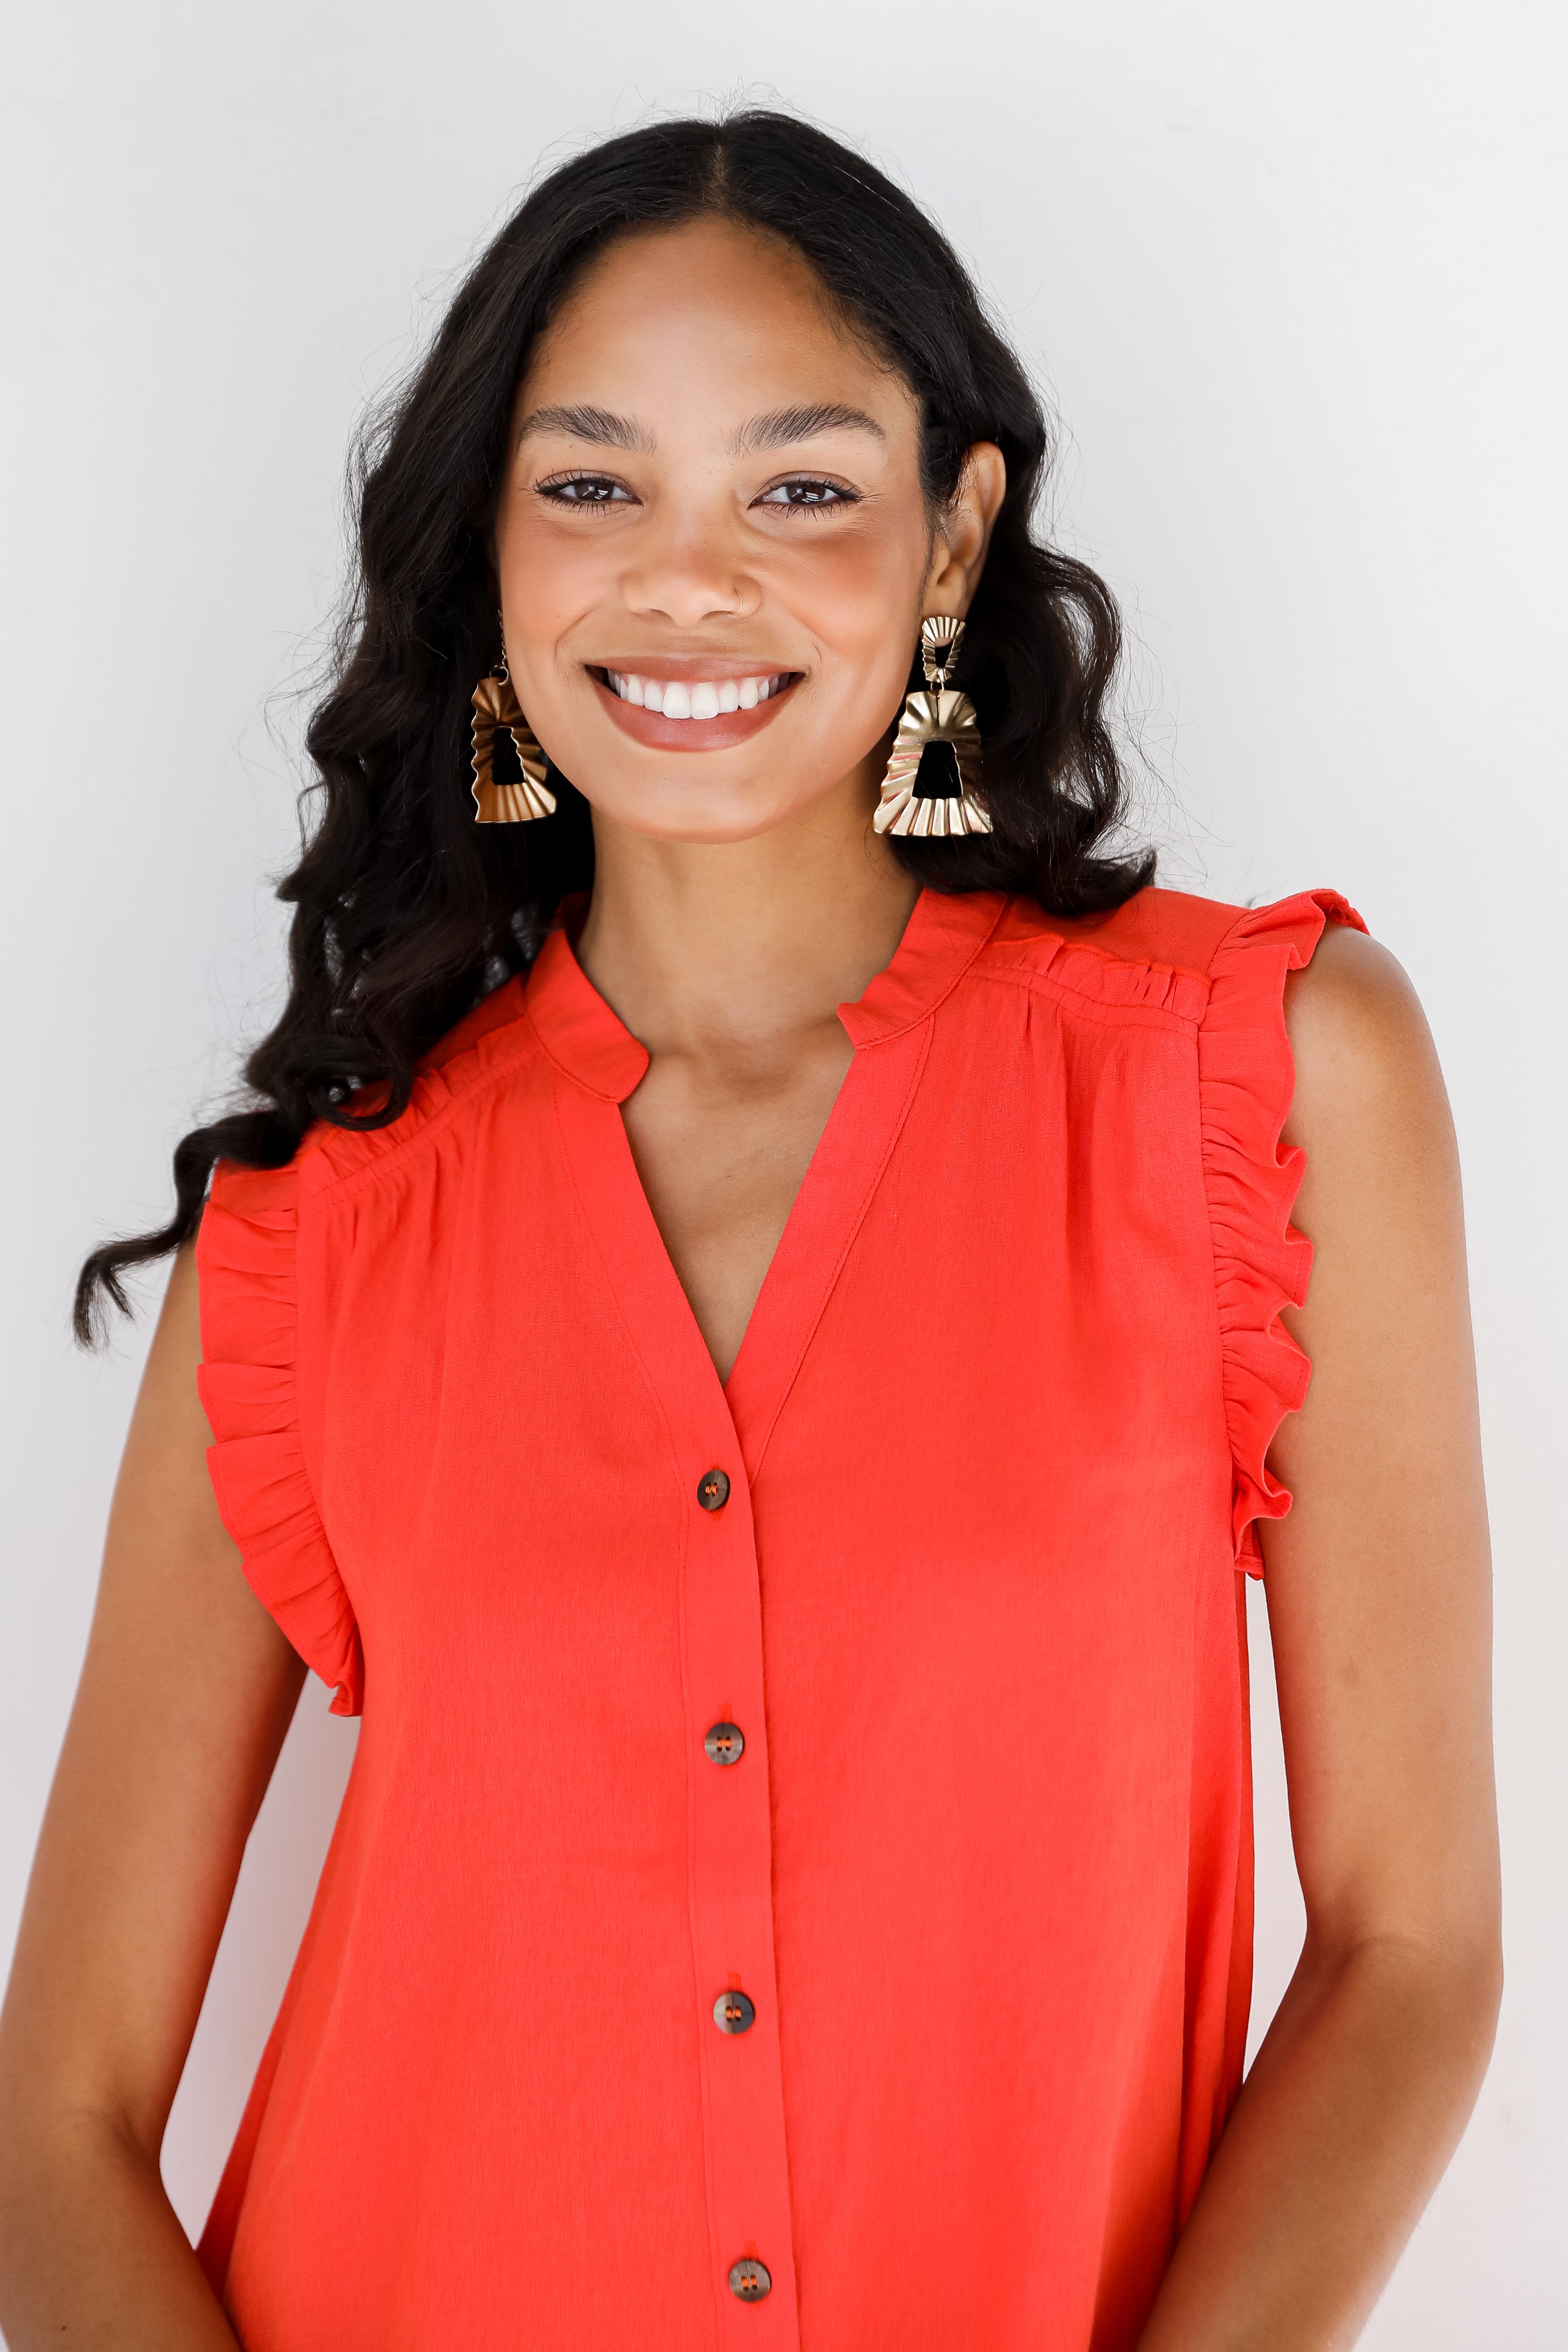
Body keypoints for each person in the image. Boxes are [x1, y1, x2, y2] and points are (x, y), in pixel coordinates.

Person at [0, 111, 1499, 2352]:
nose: (685, 578)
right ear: (488, 546)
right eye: (590, 483)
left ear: (953, 531)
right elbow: (61, 2115)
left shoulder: (1268, 1077)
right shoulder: (316, 1244)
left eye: (797, 487)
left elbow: (1412, 1947)